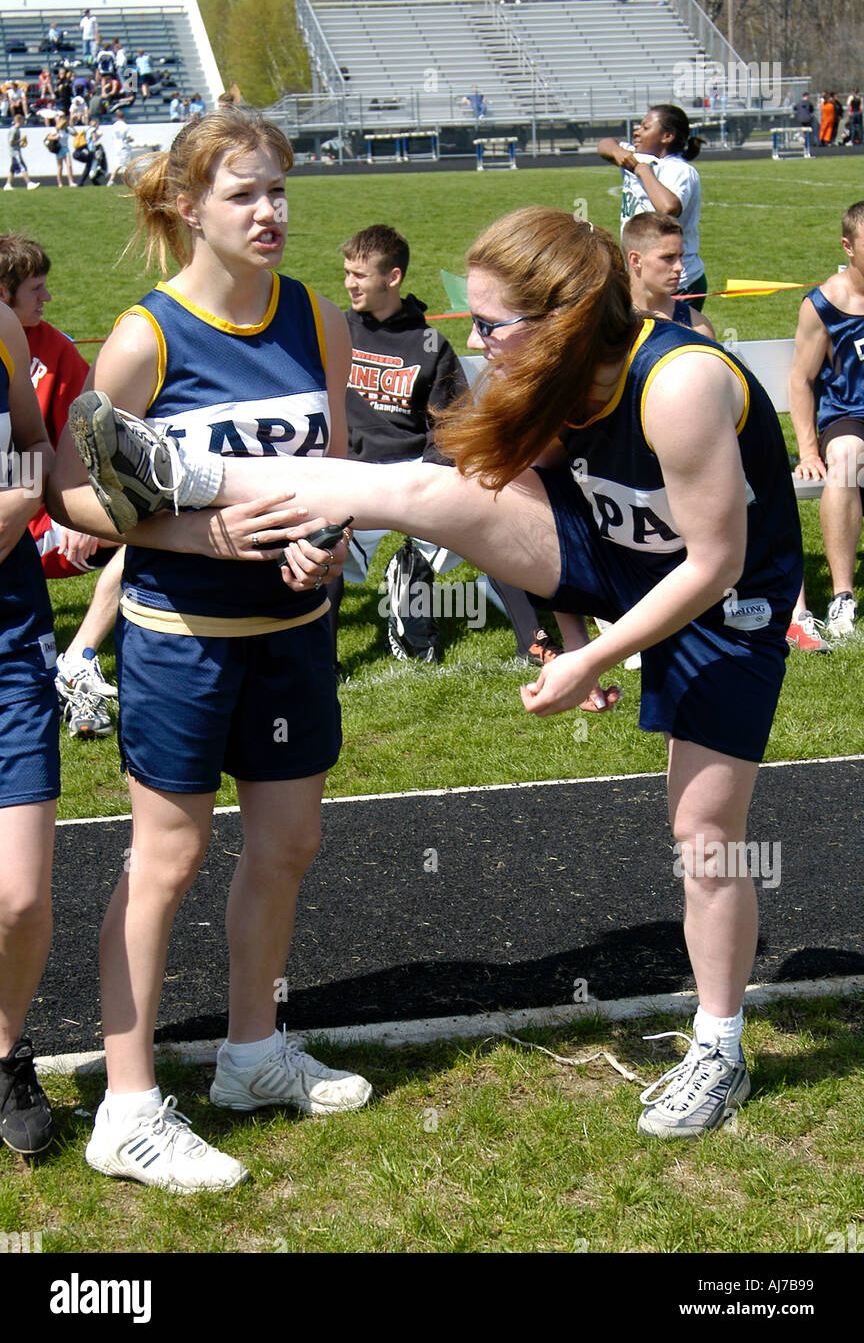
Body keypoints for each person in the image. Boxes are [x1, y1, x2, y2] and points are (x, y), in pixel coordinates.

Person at [63, 206, 803, 1140]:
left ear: (563, 319)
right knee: (419, 489)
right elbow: (529, 495)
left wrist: (590, 655)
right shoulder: (556, 372)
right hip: (619, 554)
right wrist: (564, 626)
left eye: (493, 325)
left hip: (720, 594)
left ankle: (718, 1045)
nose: (481, 344)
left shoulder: (681, 383)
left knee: (704, 826)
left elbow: (712, 563)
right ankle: (188, 474)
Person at [47, 106, 372, 1193]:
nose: (271, 210)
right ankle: (127, 1107)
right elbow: (70, 491)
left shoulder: (318, 319)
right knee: (166, 862)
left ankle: (250, 1054)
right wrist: (195, 531)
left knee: (286, 846)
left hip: (292, 639)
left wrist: (327, 544)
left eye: (280, 188)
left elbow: (333, 469)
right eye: (245, 193)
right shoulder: (149, 335)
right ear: (189, 208)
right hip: (181, 643)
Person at [335, 224, 561, 670]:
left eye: (359, 275)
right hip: (353, 474)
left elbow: (452, 426)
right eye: (347, 273)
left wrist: (428, 480)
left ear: (393, 277)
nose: (349, 284)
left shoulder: (429, 344)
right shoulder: (337, 331)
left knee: (493, 521)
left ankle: (531, 639)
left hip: (418, 471)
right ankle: (320, 660)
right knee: (319, 547)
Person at [0, 233, 123, 736]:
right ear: (3, 293)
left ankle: (77, 657)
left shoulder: (55, 349)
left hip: (34, 519)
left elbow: (65, 444)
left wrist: (67, 508)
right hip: (25, 522)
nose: (47, 299)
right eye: (36, 289)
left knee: (157, 530)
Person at [0, 298, 58, 1159]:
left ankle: (5, 1056)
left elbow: (35, 450)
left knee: (17, 894)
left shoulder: (0, 325)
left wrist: (20, 498)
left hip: (10, 635)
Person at [789, 200, 864, 641]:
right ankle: (842, 597)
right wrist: (809, 450)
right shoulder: (825, 304)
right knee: (848, 457)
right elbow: (801, 380)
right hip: (849, 415)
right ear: (848, 247)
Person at [598, 104, 707, 308]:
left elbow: (668, 207)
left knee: (673, 337)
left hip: (678, 280)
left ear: (667, 136)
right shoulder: (636, 155)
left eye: (646, 127)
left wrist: (642, 171)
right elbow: (604, 144)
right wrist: (617, 151)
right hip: (645, 275)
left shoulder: (679, 170)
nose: (637, 132)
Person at [622, 212, 715, 337]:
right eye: (668, 257)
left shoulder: (697, 328)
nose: (680, 267)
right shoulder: (604, 320)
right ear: (636, 260)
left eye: (680, 256)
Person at [4, 115, 40, 192]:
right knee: (23, 167)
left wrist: (22, 143)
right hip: (15, 152)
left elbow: (15, 143)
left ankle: (8, 184)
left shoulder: (18, 130)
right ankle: (29, 183)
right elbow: (11, 142)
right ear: (19, 120)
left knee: (12, 169)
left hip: (16, 151)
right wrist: (20, 139)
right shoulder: (13, 130)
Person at [107, 109, 134, 185]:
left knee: (119, 164)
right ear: (124, 116)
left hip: (116, 146)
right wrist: (131, 139)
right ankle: (129, 181)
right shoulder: (126, 126)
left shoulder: (114, 126)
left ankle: (112, 180)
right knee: (126, 165)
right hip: (123, 147)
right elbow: (128, 138)